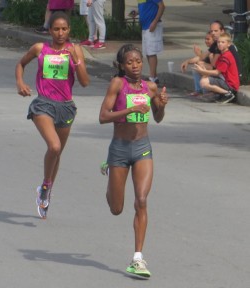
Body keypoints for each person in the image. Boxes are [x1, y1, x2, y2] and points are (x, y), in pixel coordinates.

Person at [99, 44, 168, 278]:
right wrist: (129, 110)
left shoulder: (151, 87)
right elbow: (103, 116)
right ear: (122, 65)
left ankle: (138, 258)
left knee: (141, 200)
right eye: (130, 62)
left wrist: (161, 104)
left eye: (138, 61)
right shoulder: (118, 84)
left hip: (142, 148)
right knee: (116, 209)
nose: (135, 65)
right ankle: (110, 172)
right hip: (119, 149)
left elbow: (157, 117)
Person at [16, 12, 89, 219]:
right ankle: (46, 185)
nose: (60, 33)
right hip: (43, 104)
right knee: (54, 146)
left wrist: (77, 62)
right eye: (56, 29)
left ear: (69, 30)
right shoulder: (40, 49)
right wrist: (20, 82)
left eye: (64, 29)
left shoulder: (75, 50)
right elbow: (21, 64)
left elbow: (84, 82)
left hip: (65, 107)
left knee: (57, 154)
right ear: (50, 31)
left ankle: (46, 188)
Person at [193, 32, 240, 104]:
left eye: (223, 42)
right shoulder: (223, 54)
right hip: (225, 80)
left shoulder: (226, 56)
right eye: (218, 42)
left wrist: (203, 72)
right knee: (204, 78)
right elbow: (214, 67)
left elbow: (217, 72)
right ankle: (218, 94)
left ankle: (228, 93)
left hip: (230, 84)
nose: (220, 44)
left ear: (229, 44)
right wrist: (204, 71)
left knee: (204, 82)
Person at [137, 0, 165, 84]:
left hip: (152, 26)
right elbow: (144, 7)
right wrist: (138, 13)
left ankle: (152, 78)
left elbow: (162, 6)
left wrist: (155, 22)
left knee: (152, 52)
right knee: (148, 52)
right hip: (145, 26)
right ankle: (154, 76)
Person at [181, 32, 214, 96]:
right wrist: (187, 61)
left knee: (200, 66)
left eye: (208, 39)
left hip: (216, 74)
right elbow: (198, 58)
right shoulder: (209, 50)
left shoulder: (214, 51)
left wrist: (199, 54)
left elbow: (213, 66)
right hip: (212, 73)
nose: (206, 41)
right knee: (196, 66)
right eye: (205, 39)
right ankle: (198, 90)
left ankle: (206, 92)